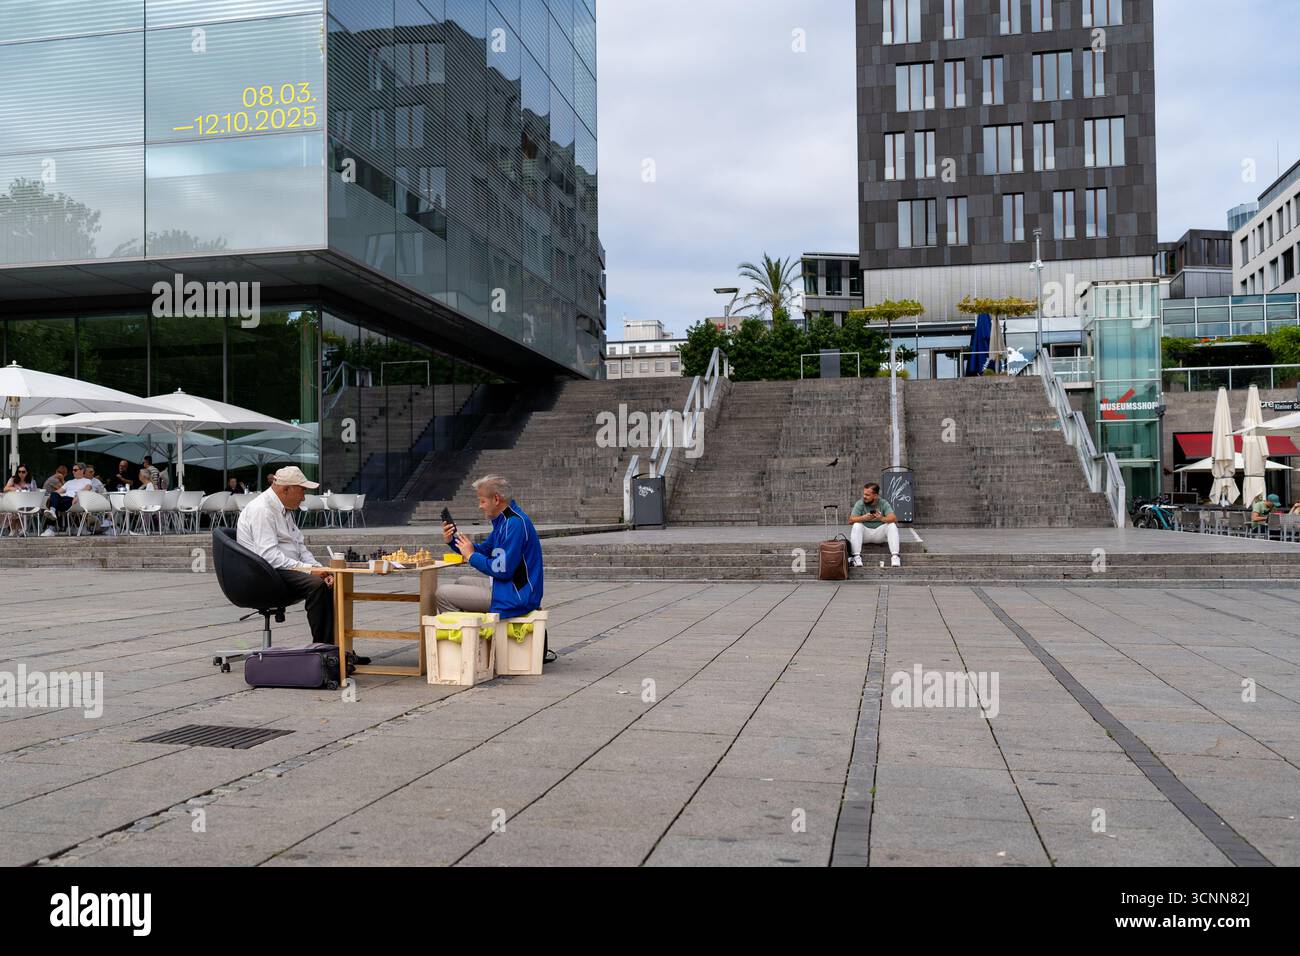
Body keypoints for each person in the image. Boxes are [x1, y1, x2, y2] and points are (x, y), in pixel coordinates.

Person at [236, 465, 366, 660]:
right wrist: (310, 571)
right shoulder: (262, 510)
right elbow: (268, 555)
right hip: (263, 574)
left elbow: (299, 547)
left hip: (280, 569)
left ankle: (337, 649)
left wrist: (320, 569)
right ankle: (324, 654)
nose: (304, 497)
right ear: (285, 489)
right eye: (302, 490)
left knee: (332, 582)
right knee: (317, 586)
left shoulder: (285, 509)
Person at [439, 474, 551, 662]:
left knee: (443, 594)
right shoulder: (505, 521)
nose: (480, 506)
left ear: (496, 499)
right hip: (509, 589)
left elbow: (501, 569)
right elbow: (482, 550)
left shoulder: (513, 524)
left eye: (482, 501)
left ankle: (473, 651)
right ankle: (480, 639)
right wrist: (453, 541)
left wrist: (471, 556)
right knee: (460, 582)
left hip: (515, 596)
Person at [849, 482, 901, 568]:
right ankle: (856, 557)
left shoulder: (883, 503)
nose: (864, 496)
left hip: (879, 534)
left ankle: (895, 556)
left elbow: (894, 519)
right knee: (856, 525)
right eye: (864, 494)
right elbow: (850, 520)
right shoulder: (860, 503)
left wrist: (881, 518)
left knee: (892, 525)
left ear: (875, 496)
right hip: (864, 535)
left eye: (867, 495)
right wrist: (864, 518)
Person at [3, 464, 36, 535]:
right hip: (14, 503)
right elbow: (5, 489)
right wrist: (15, 488)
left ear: (27, 472)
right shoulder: (13, 479)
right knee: (15, 510)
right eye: (19, 471)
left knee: (21, 510)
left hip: (28, 503)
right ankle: (14, 530)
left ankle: (19, 529)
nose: (21, 473)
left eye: (23, 472)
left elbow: (34, 493)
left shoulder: (31, 481)